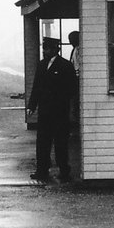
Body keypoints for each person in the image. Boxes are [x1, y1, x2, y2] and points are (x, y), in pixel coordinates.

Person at [26, 36, 78, 182]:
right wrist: (32, 105)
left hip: (60, 112)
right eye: (44, 48)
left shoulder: (65, 66)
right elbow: (36, 87)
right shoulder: (41, 65)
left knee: (61, 142)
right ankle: (41, 170)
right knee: (43, 142)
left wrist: (61, 99)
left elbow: (72, 88)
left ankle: (64, 171)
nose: (44, 51)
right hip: (45, 112)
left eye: (47, 48)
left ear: (55, 49)